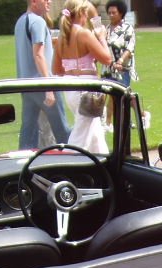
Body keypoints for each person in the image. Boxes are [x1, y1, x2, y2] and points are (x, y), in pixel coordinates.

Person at [53, 0, 113, 154]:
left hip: (70, 89)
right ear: (80, 13)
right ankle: (68, 169)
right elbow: (107, 59)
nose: (87, 17)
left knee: (95, 136)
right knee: (79, 139)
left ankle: (103, 167)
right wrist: (101, 37)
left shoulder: (62, 36)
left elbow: (57, 69)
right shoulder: (83, 34)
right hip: (86, 91)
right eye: (85, 13)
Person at [14, 0, 71, 150]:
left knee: (28, 133)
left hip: (26, 87)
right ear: (34, 1)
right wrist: (49, 86)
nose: (49, 2)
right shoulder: (38, 22)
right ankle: (75, 163)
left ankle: (24, 168)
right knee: (62, 130)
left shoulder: (20, 22)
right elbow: (38, 55)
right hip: (42, 84)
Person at [103, 0, 136, 88]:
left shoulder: (127, 28)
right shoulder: (106, 29)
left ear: (121, 13)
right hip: (107, 70)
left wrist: (120, 61)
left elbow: (129, 48)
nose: (111, 15)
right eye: (109, 13)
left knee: (120, 96)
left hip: (122, 70)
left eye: (114, 13)